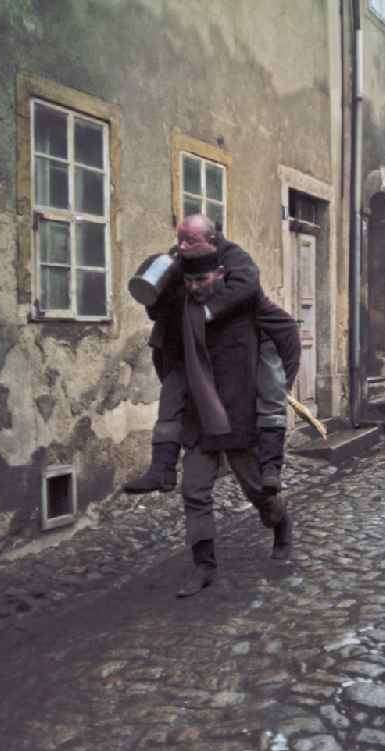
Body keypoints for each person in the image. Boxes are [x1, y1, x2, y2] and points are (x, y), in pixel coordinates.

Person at [136, 214, 296, 597]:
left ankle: (281, 526)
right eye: (188, 281)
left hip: (239, 416)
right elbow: (159, 320)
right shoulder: (183, 306)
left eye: (202, 280)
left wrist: (277, 389)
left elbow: (286, 334)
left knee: (261, 493)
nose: (195, 288)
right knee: (194, 491)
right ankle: (204, 568)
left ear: (221, 273)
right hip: (200, 418)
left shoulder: (246, 300)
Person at [124, 220, 300, 497]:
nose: (181, 246)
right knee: (172, 397)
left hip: (253, 330)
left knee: (271, 392)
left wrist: (209, 311)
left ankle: (271, 467)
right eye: (180, 239)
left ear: (212, 239)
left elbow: (248, 285)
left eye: (189, 241)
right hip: (190, 345)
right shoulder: (178, 258)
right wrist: (157, 297)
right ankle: (161, 468)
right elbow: (157, 300)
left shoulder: (235, 258)